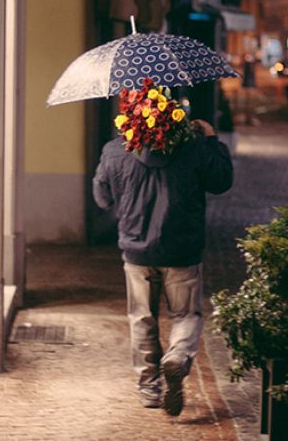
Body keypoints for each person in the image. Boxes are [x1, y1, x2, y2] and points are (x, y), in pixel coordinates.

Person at [92, 80, 234, 416]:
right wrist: (212, 139)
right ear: (174, 113)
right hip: (182, 252)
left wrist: (124, 200)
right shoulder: (194, 147)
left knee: (141, 319)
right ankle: (177, 357)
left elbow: (101, 197)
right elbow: (221, 181)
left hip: (137, 252)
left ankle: (150, 387)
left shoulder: (114, 151)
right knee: (186, 315)